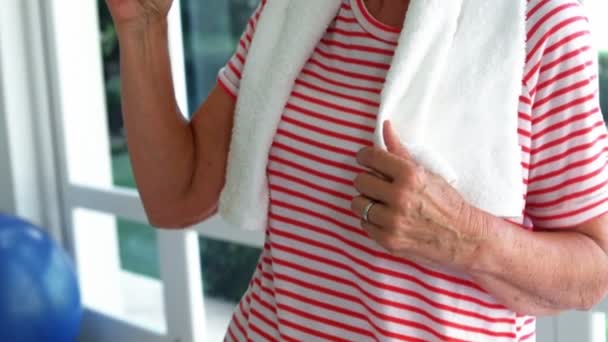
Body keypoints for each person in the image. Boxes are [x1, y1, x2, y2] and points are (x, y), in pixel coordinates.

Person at [105, 0, 608, 340]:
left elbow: (594, 270)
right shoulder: (291, 11)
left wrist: (466, 237)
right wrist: (141, 25)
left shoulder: (539, 21)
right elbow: (177, 196)